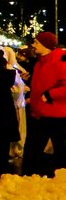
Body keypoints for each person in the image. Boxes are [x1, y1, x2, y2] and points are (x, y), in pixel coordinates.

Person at [23, 32, 66, 177]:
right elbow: (41, 85)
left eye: (36, 42)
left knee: (61, 150)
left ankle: (60, 179)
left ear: (46, 45)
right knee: (31, 151)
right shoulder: (39, 63)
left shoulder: (60, 60)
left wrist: (49, 95)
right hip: (38, 113)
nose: (33, 45)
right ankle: (28, 178)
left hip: (57, 115)